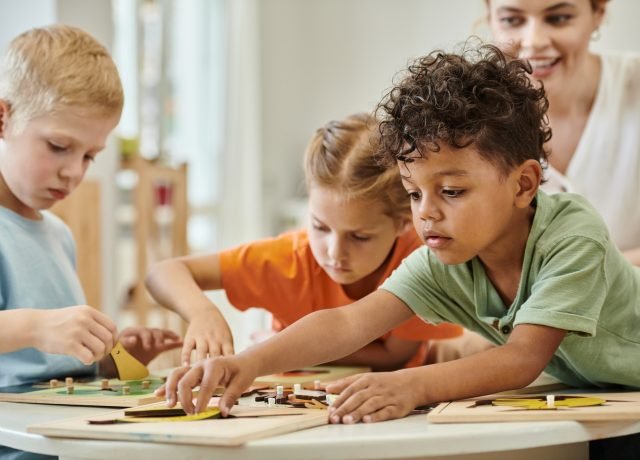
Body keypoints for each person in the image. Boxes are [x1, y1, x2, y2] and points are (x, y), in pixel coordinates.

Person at [159, 44, 640, 425]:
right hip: (609, 399)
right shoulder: (447, 258)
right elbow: (348, 324)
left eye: (451, 190)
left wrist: (413, 386)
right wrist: (246, 365)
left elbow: (521, 359)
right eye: (413, 194)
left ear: (524, 184)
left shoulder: (572, 235)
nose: (425, 214)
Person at [146, 113, 465, 372]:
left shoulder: (420, 257)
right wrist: (203, 313)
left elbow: (395, 357)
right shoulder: (288, 258)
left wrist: (285, 347)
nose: (334, 252)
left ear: (402, 222)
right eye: (319, 226)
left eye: (359, 237)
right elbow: (163, 273)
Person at [0, 25, 182, 390]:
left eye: (89, 157)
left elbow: (58, 371)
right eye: (57, 146)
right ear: (3, 119)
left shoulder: (59, 235)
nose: (73, 172)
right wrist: (37, 327)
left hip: (68, 437)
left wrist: (111, 358)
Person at [486, 0, 640, 266]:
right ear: (490, 16)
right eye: (512, 20)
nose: (534, 41)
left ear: (598, 13)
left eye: (558, 18)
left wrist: (583, 275)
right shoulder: (469, 113)